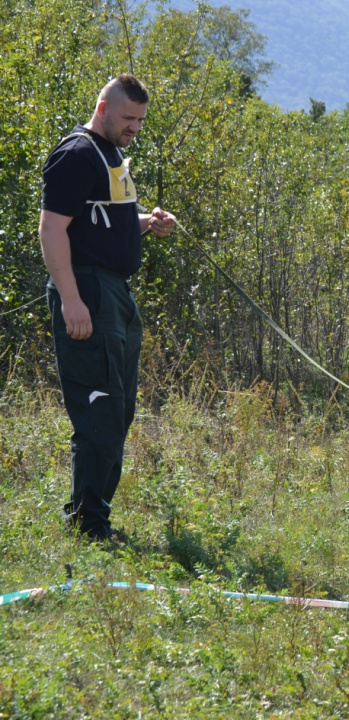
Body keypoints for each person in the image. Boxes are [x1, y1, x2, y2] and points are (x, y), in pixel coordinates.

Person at [39, 74, 176, 544]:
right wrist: (72, 300)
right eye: (128, 119)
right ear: (102, 109)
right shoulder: (76, 154)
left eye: (140, 120)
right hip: (89, 293)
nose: (135, 128)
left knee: (118, 411)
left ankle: (88, 514)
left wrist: (147, 224)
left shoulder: (111, 153)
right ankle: (89, 527)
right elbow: (53, 230)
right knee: (99, 408)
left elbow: (101, 224)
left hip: (116, 294)